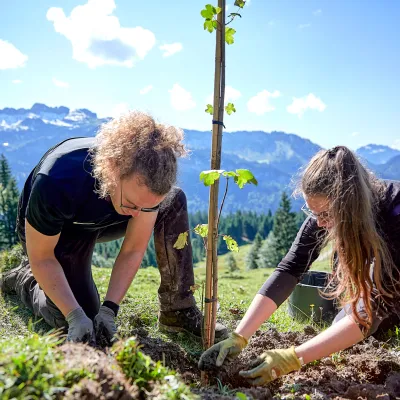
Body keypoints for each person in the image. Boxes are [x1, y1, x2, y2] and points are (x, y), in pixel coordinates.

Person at [0, 111, 228, 345]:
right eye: (133, 204)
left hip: (104, 218)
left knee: (173, 200)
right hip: (58, 232)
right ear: (112, 171)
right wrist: (74, 314)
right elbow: (43, 257)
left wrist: (110, 309)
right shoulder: (57, 180)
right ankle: (23, 279)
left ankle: (177, 311)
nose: (139, 215)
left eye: (146, 208)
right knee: (73, 315)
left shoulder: (140, 195)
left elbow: (132, 249)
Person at [199, 146, 400, 386]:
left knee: (362, 323)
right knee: (341, 327)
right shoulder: (326, 210)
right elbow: (290, 269)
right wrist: (239, 336)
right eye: (312, 212)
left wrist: (293, 358)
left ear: (348, 204)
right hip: (387, 283)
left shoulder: (395, 215)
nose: (319, 223)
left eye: (325, 214)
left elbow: (371, 309)